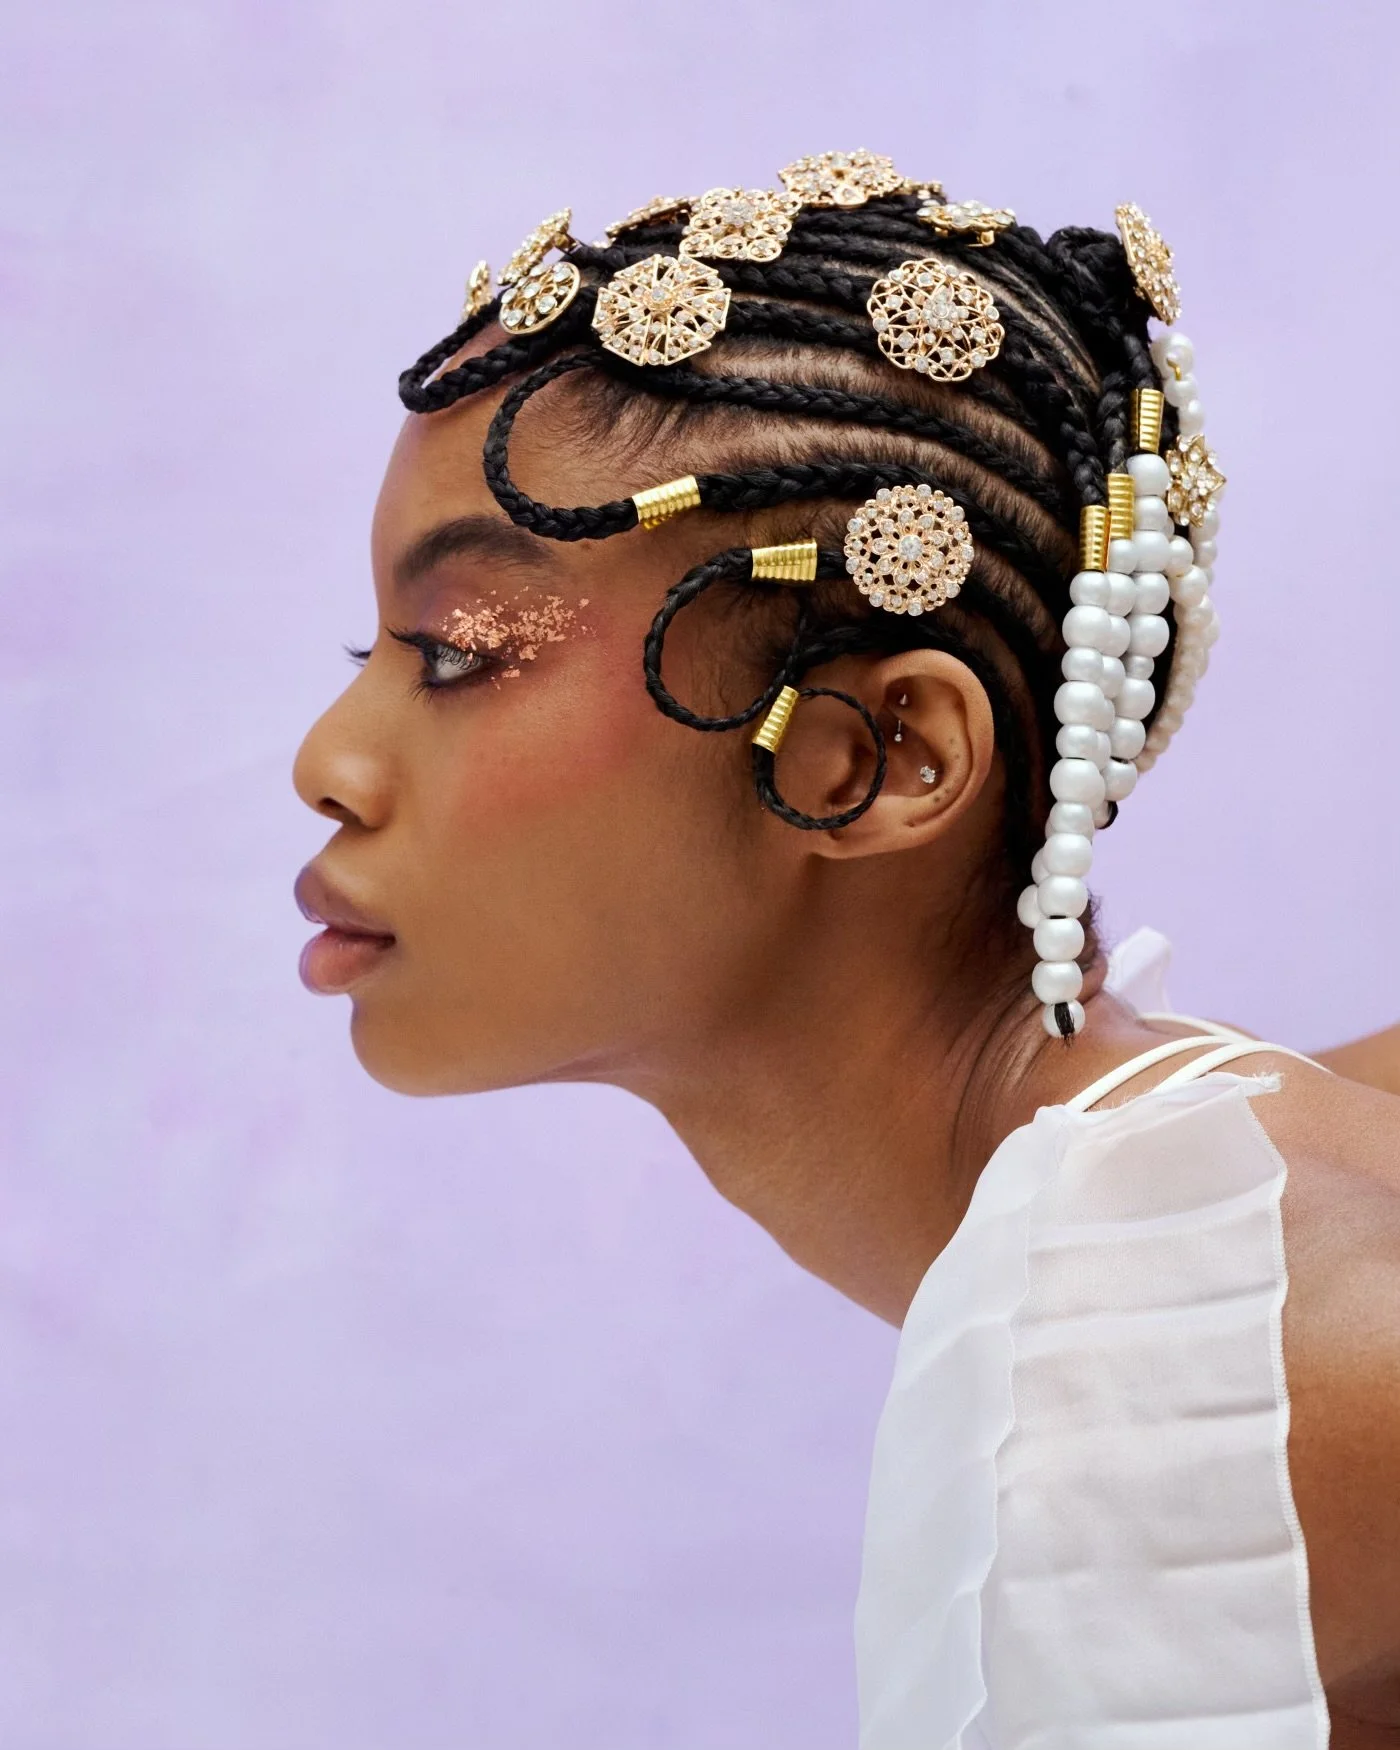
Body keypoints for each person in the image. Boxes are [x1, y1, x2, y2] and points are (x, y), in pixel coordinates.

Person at [292, 155, 1400, 1746]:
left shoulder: (1162, 1407)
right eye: (368, 653)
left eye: (457, 654)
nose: (329, 757)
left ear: (872, 759)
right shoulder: (1243, 1201)